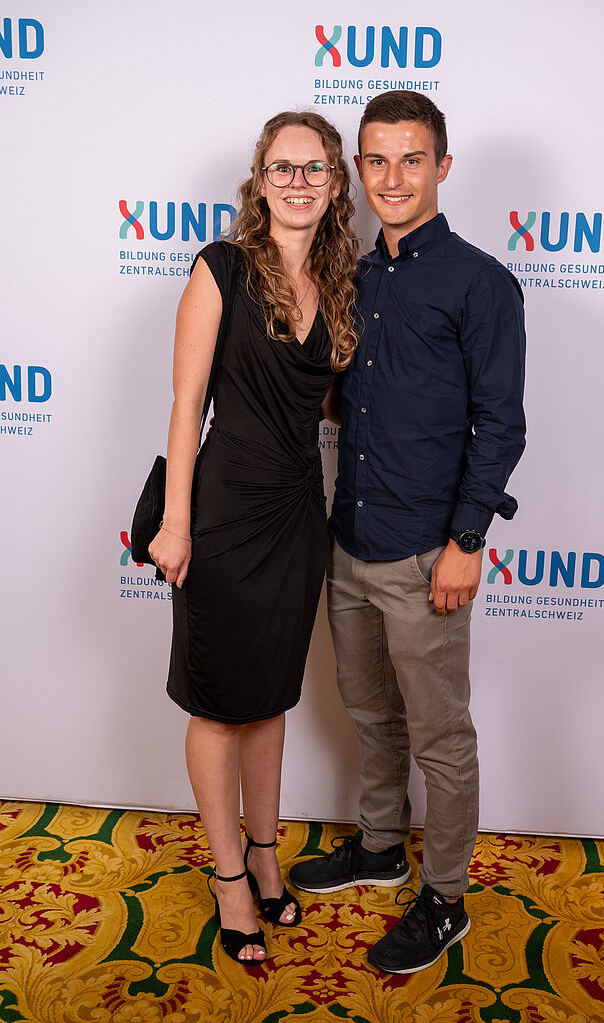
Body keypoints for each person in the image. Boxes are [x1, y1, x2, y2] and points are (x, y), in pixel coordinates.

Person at [289, 91, 526, 975]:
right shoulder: (354, 275)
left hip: (428, 551)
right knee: (368, 710)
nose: (393, 177)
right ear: (358, 169)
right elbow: (341, 401)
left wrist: (466, 541)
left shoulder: (478, 281)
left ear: (441, 167)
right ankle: (381, 846)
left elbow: (500, 424)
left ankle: (446, 898)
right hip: (349, 534)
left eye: (412, 158)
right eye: (377, 160)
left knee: (440, 736)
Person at [148, 111, 358, 966]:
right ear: (259, 180)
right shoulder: (223, 268)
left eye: (314, 169)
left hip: (299, 511)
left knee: (269, 695)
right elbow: (186, 405)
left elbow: (332, 402)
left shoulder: (342, 282)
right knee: (218, 702)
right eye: (282, 168)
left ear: (335, 183)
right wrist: (175, 523)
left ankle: (267, 855)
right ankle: (229, 876)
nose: (298, 183)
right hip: (225, 510)